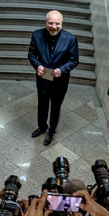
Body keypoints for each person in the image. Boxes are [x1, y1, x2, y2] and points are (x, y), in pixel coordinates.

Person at [28, 10, 79, 146]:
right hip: (43, 77)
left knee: (56, 106)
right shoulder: (36, 35)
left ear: (61, 23)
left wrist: (62, 70)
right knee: (42, 104)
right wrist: (37, 65)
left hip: (60, 80)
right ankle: (42, 127)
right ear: (46, 23)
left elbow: (74, 60)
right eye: (51, 23)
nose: (54, 26)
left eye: (57, 23)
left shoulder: (71, 39)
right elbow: (31, 55)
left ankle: (51, 131)